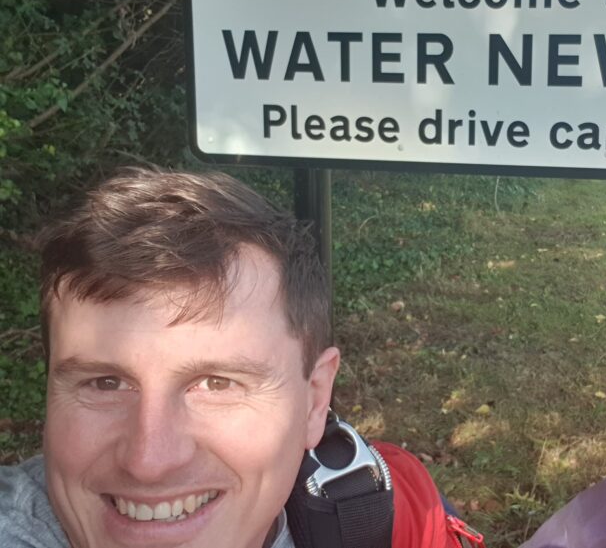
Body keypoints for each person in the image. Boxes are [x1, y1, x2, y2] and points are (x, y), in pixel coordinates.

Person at [0, 168, 484, 548]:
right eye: (105, 383)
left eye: (218, 383)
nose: (149, 462)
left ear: (315, 401)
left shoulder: (368, 522)